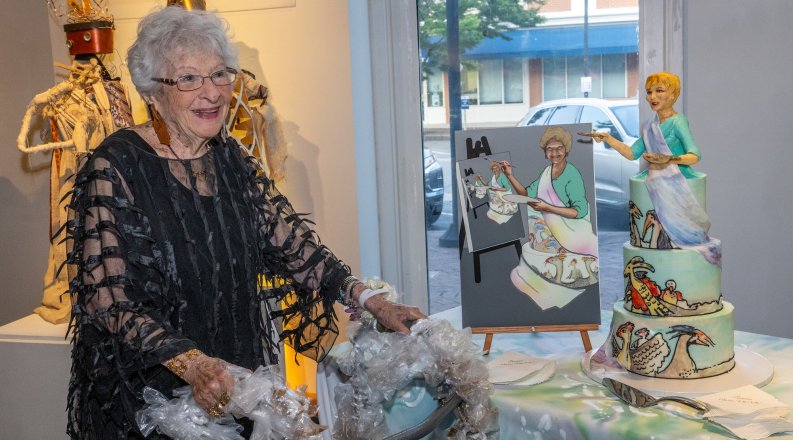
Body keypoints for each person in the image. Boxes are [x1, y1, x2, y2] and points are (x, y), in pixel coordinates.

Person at [63, 7, 425, 439]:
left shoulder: (228, 156)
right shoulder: (115, 165)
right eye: (189, 78)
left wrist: (369, 300)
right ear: (153, 91)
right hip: (151, 398)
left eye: (220, 74)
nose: (212, 92)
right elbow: (108, 300)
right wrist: (193, 364)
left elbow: (293, 247)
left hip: (235, 381)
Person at [501, 126, 596, 257]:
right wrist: (509, 175)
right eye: (549, 149)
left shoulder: (572, 174)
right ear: (545, 152)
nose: (554, 153)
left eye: (559, 148)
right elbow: (526, 195)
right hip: (547, 236)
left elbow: (579, 211)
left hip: (572, 237)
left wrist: (548, 208)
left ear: (566, 149)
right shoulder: (547, 172)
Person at [584, 72, 701, 177]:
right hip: (655, 179)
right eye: (649, 92)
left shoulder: (678, 121)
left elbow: (695, 156)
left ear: (673, 95)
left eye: (659, 90)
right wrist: (608, 138)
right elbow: (632, 153)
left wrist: (669, 159)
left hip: (678, 179)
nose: (652, 97)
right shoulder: (650, 126)